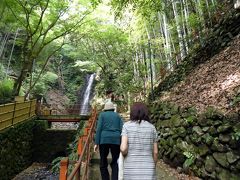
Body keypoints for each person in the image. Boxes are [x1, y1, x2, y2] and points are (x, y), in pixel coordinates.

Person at [120, 102, 158, 180]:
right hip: (148, 168)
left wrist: (126, 152)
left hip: (130, 168)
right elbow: (155, 152)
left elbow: (123, 148)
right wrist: (152, 166)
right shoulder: (152, 128)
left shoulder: (126, 126)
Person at [94, 101, 123, 180]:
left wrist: (96, 142)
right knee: (115, 160)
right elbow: (122, 129)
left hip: (104, 140)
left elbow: (99, 129)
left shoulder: (102, 115)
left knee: (103, 160)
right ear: (113, 109)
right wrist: (122, 141)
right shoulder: (117, 116)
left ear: (105, 109)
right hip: (116, 140)